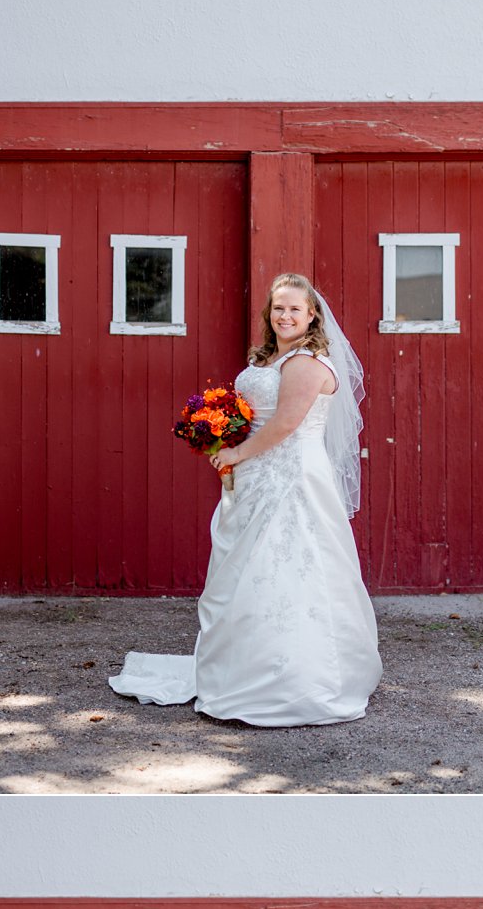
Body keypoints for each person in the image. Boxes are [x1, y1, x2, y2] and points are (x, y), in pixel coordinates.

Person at [108, 275, 382, 726]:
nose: (285, 316)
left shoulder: (307, 363)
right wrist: (219, 429)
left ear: (312, 315)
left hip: (290, 476)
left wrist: (234, 451)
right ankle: (240, 666)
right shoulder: (273, 358)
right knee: (246, 568)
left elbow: (286, 424)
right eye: (278, 308)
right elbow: (257, 415)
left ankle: (292, 679)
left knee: (287, 567)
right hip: (256, 474)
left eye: (295, 309)